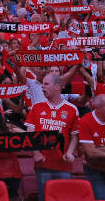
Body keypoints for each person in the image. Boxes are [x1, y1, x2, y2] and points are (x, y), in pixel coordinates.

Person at [24, 71, 79, 201]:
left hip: (64, 165)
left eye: (46, 84)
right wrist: (36, 153)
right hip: (43, 165)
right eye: (42, 84)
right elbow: (30, 134)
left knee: (64, 198)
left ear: (57, 87)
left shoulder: (72, 109)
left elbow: (74, 137)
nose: (42, 87)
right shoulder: (36, 108)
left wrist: (70, 152)